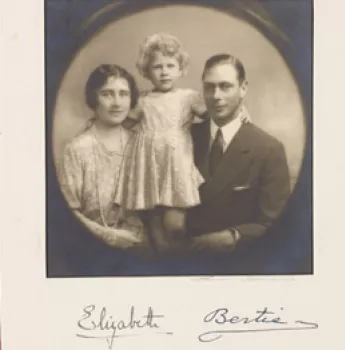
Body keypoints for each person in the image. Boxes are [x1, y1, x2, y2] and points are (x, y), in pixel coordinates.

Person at [114, 34, 249, 255]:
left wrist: (240, 110)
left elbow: (215, 113)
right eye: (157, 67)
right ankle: (166, 264)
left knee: (175, 225)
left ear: (180, 69)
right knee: (154, 221)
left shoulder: (188, 97)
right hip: (148, 167)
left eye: (170, 65)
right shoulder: (142, 100)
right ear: (146, 71)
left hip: (176, 166)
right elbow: (123, 122)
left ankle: (184, 260)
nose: (164, 71)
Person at [164, 54, 291, 255]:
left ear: (243, 89)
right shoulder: (183, 138)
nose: (216, 96)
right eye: (209, 87)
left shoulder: (269, 149)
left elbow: (273, 222)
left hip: (238, 262)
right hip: (181, 258)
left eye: (225, 86)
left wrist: (233, 236)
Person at [59, 64, 148, 253]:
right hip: (90, 247)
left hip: (142, 248)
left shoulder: (140, 145)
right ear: (93, 98)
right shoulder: (78, 149)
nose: (117, 103)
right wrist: (108, 236)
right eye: (107, 94)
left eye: (123, 94)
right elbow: (67, 212)